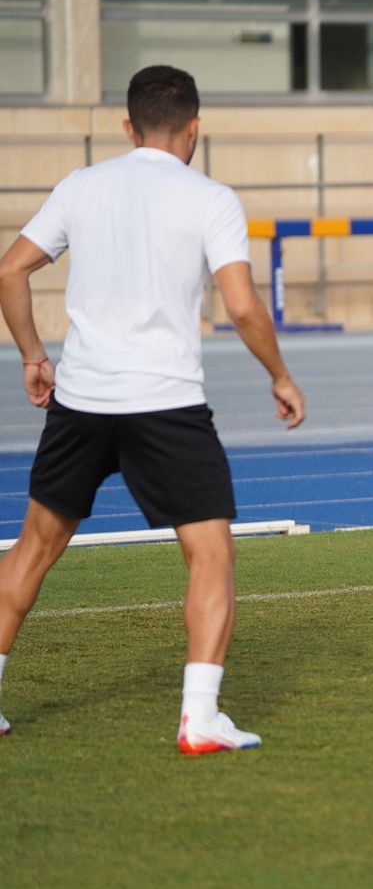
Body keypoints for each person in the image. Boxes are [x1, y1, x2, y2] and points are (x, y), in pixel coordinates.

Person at [0, 65, 306, 751]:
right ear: (194, 128)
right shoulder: (211, 198)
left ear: (128, 127)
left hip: (81, 400)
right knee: (210, 555)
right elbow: (242, 307)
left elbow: (9, 269)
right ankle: (199, 717)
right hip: (166, 404)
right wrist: (281, 376)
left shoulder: (80, 185)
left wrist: (32, 355)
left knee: (33, 549)